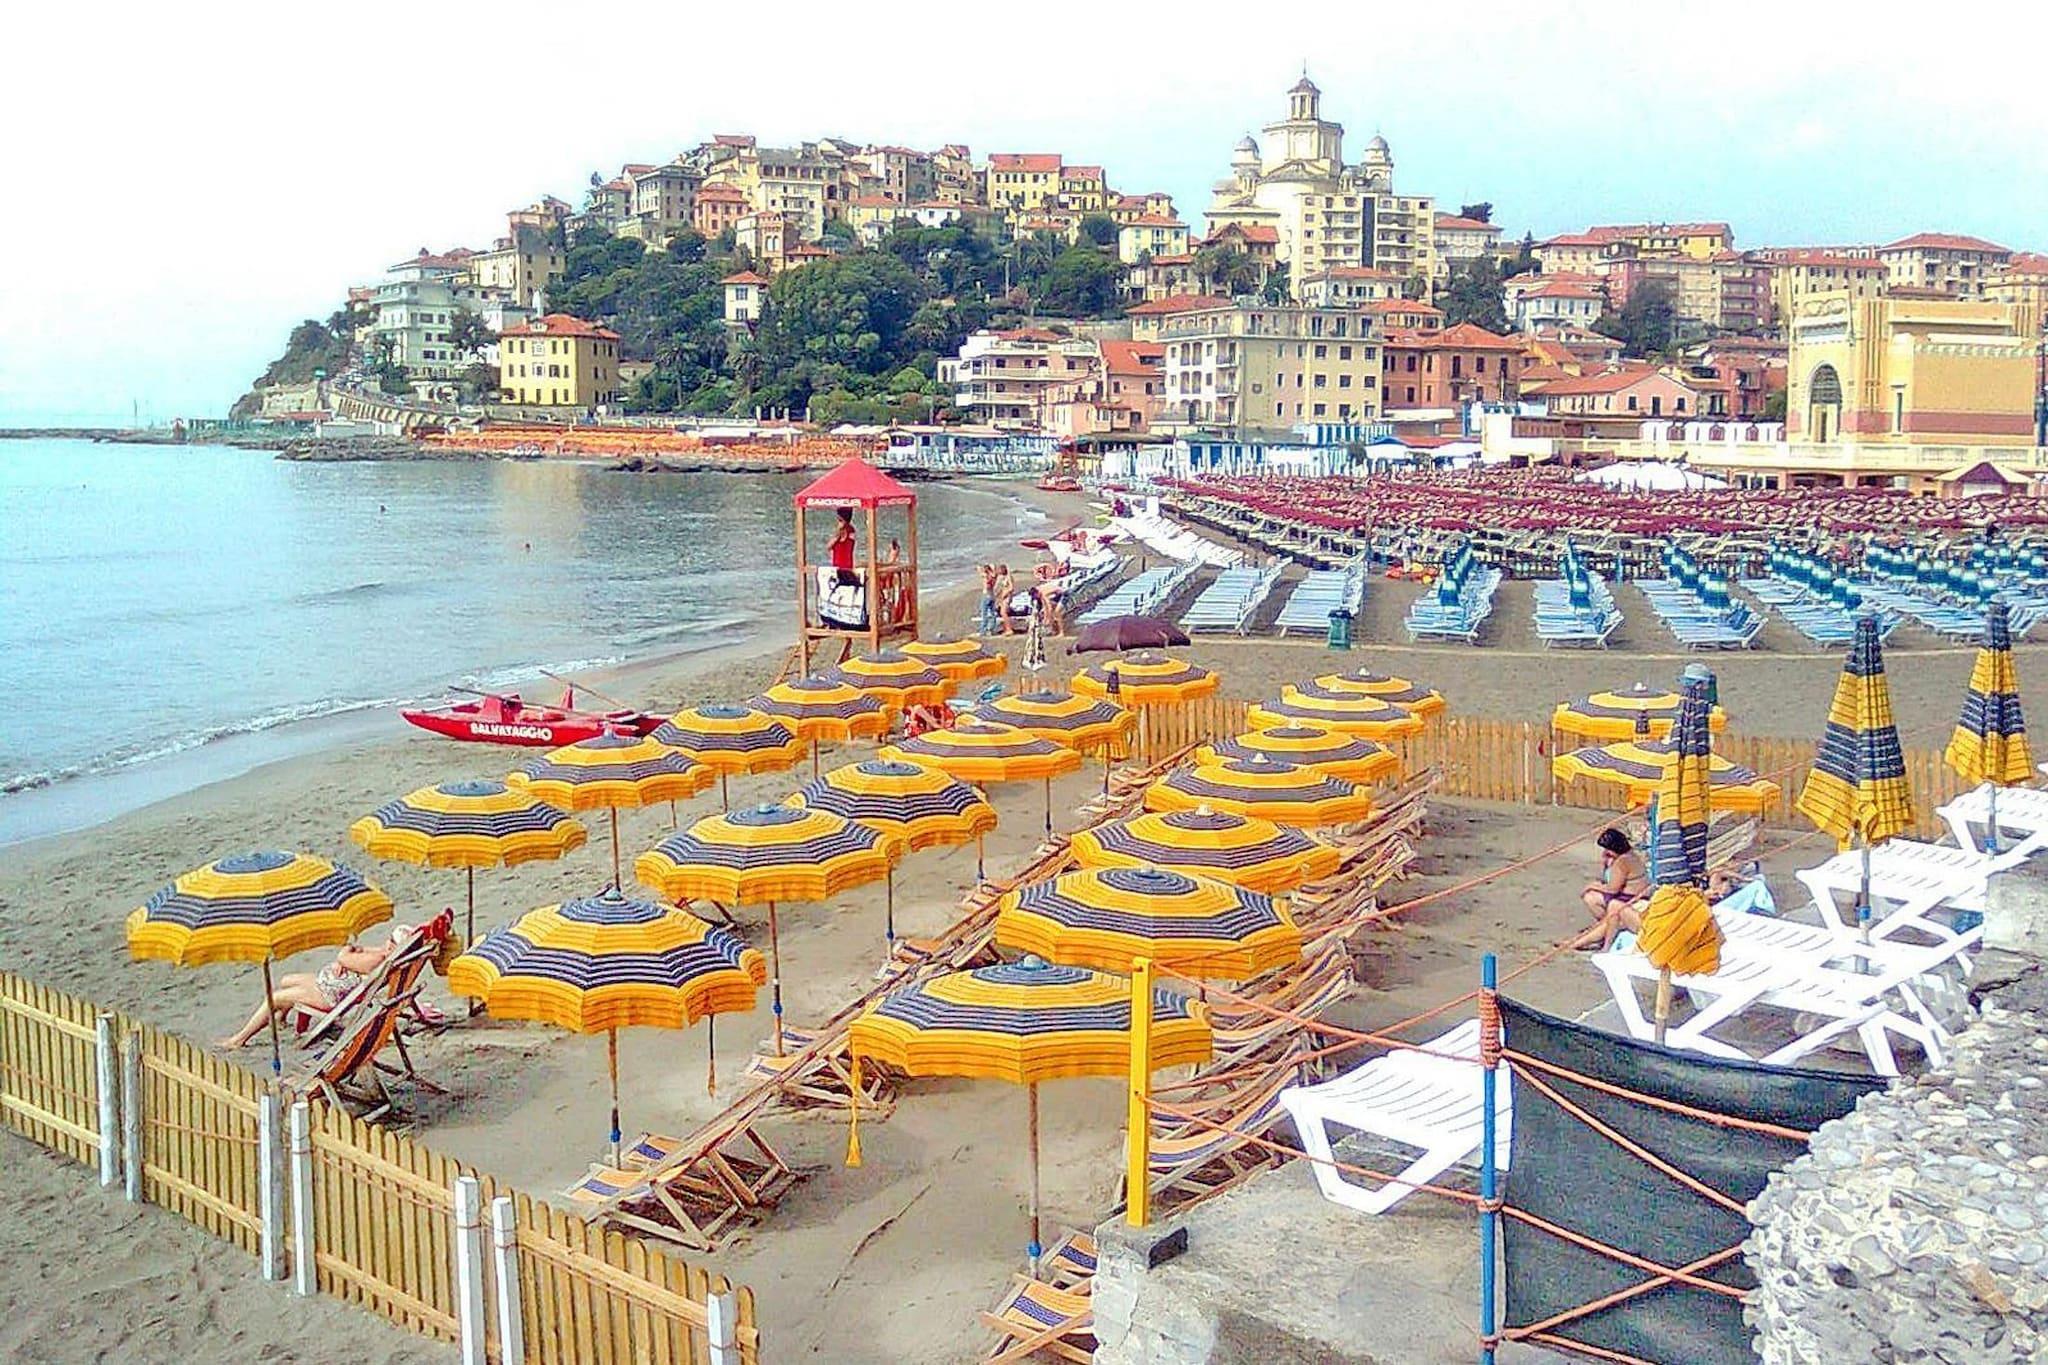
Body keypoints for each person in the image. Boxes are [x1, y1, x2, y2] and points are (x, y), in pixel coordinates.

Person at [217, 929, 406, 1049]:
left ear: (394, 948)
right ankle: (281, 1020)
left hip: (329, 995)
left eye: (391, 941)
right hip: (330, 984)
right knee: (286, 980)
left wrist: (345, 954)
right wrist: (352, 954)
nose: (386, 942)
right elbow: (358, 952)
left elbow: (343, 956)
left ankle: (239, 1039)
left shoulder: (377, 960)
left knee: (273, 998)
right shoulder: (385, 957)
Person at [1580, 828, 1648, 950]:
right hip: (1629, 896)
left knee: (1595, 900)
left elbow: (1613, 889)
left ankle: (1585, 942)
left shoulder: (1622, 861)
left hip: (1630, 899)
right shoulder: (1631, 856)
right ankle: (1596, 934)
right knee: (1592, 898)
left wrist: (1592, 886)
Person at [829, 508, 858, 587]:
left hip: (840, 566)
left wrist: (837, 532)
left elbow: (829, 546)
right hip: (847, 565)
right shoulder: (851, 530)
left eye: (839, 520)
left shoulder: (842, 531)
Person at [993, 564, 1017, 635]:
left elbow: (1011, 588)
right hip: (1002, 597)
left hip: (1007, 597)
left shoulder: (1008, 577)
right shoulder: (1002, 578)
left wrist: (1005, 593)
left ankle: (1009, 629)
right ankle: (1006, 628)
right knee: (1002, 612)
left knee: (1003, 612)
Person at [978, 563, 1000, 635]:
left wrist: (980, 569)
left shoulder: (987, 577)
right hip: (992, 595)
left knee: (984, 613)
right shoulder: (994, 576)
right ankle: (992, 629)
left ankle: (983, 630)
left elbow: (981, 573)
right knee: (992, 613)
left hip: (986, 595)